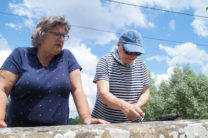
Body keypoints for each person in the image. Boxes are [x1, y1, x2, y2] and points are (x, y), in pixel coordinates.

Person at [0, 15, 109, 127]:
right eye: (56, 34)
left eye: (63, 35)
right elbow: (2, 88)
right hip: (20, 132)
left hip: (57, 133)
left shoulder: (67, 57)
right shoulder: (20, 55)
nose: (61, 39)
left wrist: (87, 118)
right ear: (41, 34)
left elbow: (77, 89)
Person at [92, 30, 150, 123]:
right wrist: (125, 106)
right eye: (128, 51)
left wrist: (136, 107)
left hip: (134, 123)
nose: (132, 56)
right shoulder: (105, 62)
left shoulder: (141, 65)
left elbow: (146, 93)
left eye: (137, 53)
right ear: (119, 45)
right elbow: (103, 94)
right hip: (105, 124)